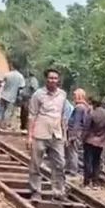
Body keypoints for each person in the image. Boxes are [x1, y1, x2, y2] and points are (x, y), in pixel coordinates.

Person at [27, 68, 67, 200]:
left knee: (60, 163)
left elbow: (62, 116)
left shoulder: (62, 95)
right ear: (46, 79)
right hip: (40, 132)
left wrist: (64, 134)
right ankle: (35, 190)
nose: (53, 81)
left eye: (55, 78)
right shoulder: (38, 94)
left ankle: (58, 191)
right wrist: (29, 136)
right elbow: (32, 115)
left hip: (57, 134)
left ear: (58, 80)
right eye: (51, 78)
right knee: (36, 163)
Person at [82, 99, 105, 186]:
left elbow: (86, 128)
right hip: (101, 142)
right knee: (96, 161)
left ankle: (86, 181)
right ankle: (95, 181)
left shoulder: (92, 114)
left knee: (88, 161)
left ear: (94, 105)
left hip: (89, 141)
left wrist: (83, 139)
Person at [65, 89, 90, 175]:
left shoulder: (79, 107)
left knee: (73, 151)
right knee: (71, 151)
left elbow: (76, 122)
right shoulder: (84, 107)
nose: (73, 97)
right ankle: (69, 168)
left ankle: (73, 170)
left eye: (75, 95)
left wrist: (72, 135)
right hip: (78, 132)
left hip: (75, 132)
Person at [0, 65, 25, 130]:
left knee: (1, 110)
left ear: (13, 67)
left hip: (3, 95)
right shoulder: (20, 76)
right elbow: (21, 86)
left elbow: (1, 81)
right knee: (8, 111)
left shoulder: (7, 74)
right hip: (12, 97)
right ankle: (4, 125)